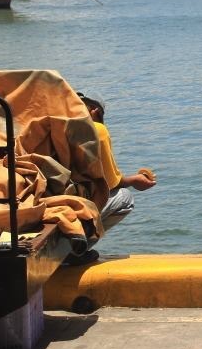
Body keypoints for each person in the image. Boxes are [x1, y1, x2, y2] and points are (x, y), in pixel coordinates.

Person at [65, 92, 157, 266]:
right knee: (124, 197)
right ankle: (75, 250)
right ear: (94, 111)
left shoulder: (55, 124)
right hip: (75, 202)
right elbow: (109, 183)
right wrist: (135, 181)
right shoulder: (97, 129)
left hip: (52, 197)